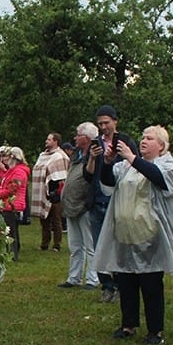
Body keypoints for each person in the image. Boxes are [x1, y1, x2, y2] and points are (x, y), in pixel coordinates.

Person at [96, 125, 173, 345]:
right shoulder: (126, 166)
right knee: (126, 280)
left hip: (150, 234)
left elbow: (158, 179)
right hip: (124, 233)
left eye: (149, 138)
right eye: (142, 137)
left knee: (150, 283)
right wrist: (106, 162)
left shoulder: (166, 165)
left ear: (161, 146)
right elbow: (107, 181)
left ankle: (155, 330)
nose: (143, 141)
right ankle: (128, 324)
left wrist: (133, 158)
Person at [88, 105, 137, 303]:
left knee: (117, 244)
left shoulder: (126, 141)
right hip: (96, 198)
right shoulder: (95, 144)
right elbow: (88, 174)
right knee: (99, 245)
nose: (103, 127)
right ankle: (106, 285)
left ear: (115, 121)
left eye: (106, 123)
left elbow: (136, 167)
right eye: (100, 124)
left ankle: (120, 284)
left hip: (117, 200)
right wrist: (92, 157)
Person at [58, 122, 101, 290]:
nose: (75, 138)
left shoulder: (95, 156)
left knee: (90, 245)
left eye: (78, 135)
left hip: (85, 206)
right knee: (75, 245)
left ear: (87, 138)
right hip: (72, 206)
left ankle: (93, 278)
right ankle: (74, 277)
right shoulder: (77, 156)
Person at [32, 132, 70, 252]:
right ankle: (44, 243)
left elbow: (63, 173)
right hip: (43, 191)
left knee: (56, 220)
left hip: (56, 192)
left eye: (49, 139)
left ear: (55, 141)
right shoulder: (43, 155)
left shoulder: (60, 156)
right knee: (44, 219)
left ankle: (56, 245)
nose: (46, 141)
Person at [0, 147, 29, 262]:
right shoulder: (12, 170)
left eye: (8, 156)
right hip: (8, 204)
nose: (6, 159)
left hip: (12, 205)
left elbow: (13, 188)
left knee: (10, 231)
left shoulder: (19, 171)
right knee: (11, 230)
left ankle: (12, 254)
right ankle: (11, 252)